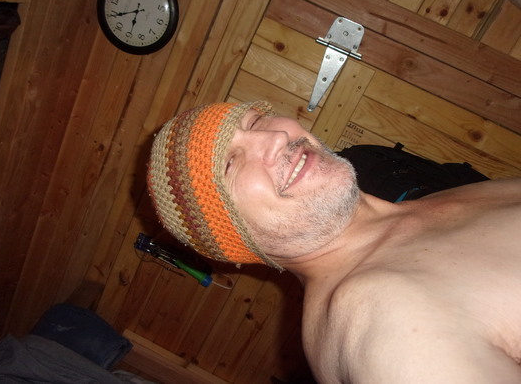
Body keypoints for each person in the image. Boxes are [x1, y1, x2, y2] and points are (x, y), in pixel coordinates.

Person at [147, 101, 521, 383]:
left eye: (255, 121)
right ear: (231, 234)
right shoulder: (379, 317)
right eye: (230, 163)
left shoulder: (423, 206)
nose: (275, 138)